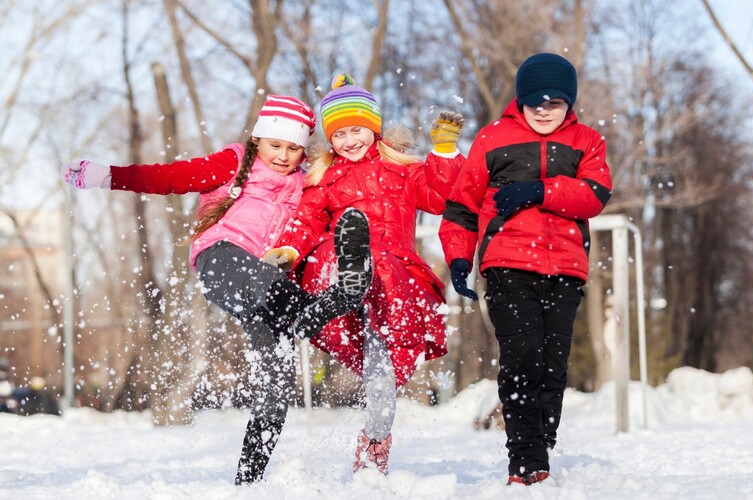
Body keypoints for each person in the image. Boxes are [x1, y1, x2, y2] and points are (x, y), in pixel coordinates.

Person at [61, 94, 373, 484]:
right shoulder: (235, 162)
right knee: (266, 284)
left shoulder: (305, 181)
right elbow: (171, 177)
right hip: (222, 258)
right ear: (259, 140)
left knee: (277, 388)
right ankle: (319, 309)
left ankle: (248, 481)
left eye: (294, 148)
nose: (283, 156)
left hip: (271, 285)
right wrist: (109, 175)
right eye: (276, 145)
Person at [264, 74, 465, 474]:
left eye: (357, 130)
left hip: (391, 283)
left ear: (373, 128)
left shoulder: (404, 171)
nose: (349, 140)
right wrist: (288, 249)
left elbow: (442, 197)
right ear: (330, 140)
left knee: (382, 382)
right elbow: (305, 223)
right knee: (331, 248)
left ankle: (374, 445)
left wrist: (444, 151)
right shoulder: (324, 180)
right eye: (339, 135)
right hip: (342, 279)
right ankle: (347, 275)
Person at [439, 53, 613, 486]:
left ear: (569, 103)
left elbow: (594, 193)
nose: (542, 108)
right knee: (523, 358)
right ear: (521, 99)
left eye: (553, 102)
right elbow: (461, 206)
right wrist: (459, 257)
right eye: (534, 100)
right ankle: (526, 460)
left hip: (566, 268)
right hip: (507, 264)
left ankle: (541, 443)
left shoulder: (587, 141)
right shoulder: (493, 138)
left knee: (554, 365)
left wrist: (540, 190)